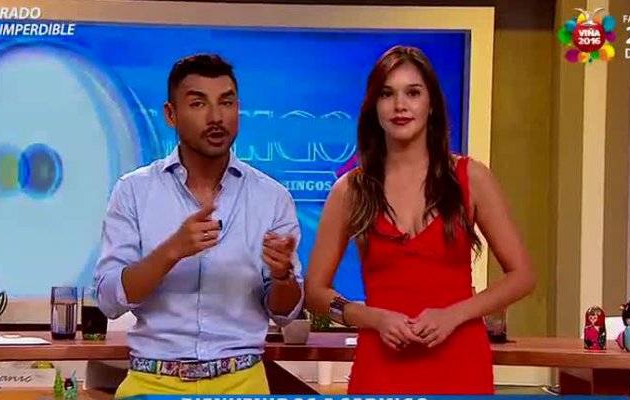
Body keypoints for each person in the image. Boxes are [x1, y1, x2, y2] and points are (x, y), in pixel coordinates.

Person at [304, 45, 536, 394]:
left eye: (412, 93)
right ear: (374, 106)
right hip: (380, 367)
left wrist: (454, 315)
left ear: (431, 104)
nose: (400, 105)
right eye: (387, 94)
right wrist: (373, 317)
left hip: (459, 364)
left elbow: (522, 276)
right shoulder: (350, 190)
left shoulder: (470, 178)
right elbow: (315, 292)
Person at [94, 54, 304, 397]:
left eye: (226, 102)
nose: (216, 117)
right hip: (152, 381)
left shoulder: (272, 197)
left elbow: (284, 313)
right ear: (171, 114)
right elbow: (108, 300)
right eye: (198, 103)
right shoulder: (133, 191)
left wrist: (282, 277)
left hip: (241, 382)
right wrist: (171, 251)